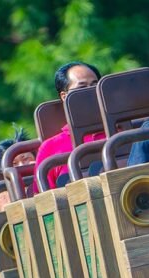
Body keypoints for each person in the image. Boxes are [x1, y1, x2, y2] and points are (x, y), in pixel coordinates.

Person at [33, 61, 107, 190]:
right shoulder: (50, 148)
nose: (90, 92)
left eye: (95, 85)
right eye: (82, 87)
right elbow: (42, 197)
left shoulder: (122, 130)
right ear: (64, 96)